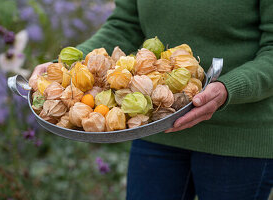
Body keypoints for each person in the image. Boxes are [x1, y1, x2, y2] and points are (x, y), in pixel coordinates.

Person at [30, 0, 273, 199]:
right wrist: (66, 68)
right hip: (156, 124)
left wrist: (228, 89)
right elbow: (125, 25)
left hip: (239, 135)